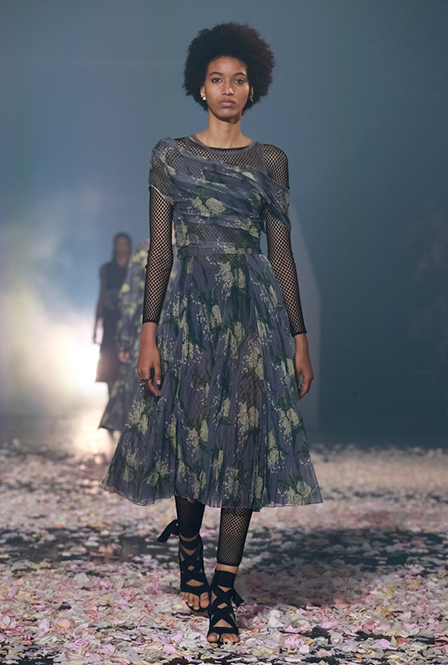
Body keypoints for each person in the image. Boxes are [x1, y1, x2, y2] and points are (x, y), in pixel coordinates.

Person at [102, 22, 323, 646]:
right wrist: (149, 332)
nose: (229, 89)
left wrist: (298, 336)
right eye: (218, 79)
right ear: (200, 87)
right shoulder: (171, 155)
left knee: (243, 442)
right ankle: (189, 553)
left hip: (251, 314)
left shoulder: (270, 160)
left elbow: (280, 253)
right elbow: (160, 251)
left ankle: (224, 590)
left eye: (239, 80)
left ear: (253, 89)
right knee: (190, 434)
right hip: (189, 313)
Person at [99, 235, 179, 433]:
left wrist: (125, 340)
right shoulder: (195, 246)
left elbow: (131, 297)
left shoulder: (146, 249)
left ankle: (143, 440)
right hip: (181, 333)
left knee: (143, 394)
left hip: (150, 330)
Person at [94, 233, 132, 395]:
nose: (121, 247)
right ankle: (111, 402)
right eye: (118, 244)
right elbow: (102, 295)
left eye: (124, 244)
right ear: (114, 246)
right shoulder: (106, 269)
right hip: (109, 322)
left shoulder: (136, 268)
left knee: (129, 364)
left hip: (129, 321)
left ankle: (126, 404)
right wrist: (95, 327)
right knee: (109, 364)